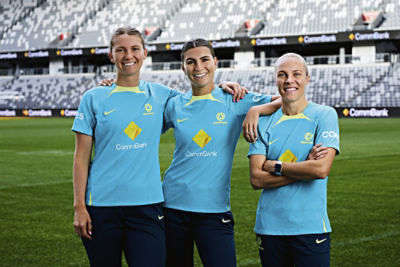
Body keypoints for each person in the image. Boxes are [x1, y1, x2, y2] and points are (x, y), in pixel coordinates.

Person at [73, 26, 247, 267]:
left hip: (147, 206)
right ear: (111, 55)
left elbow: (199, 94)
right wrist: (79, 206)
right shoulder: (94, 97)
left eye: (134, 49)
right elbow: (81, 157)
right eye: (120, 50)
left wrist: (224, 87)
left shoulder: (163, 96)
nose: (128, 55)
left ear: (145, 53)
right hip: (101, 206)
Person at [161, 38, 282, 267]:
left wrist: (255, 110)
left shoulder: (234, 99)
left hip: (214, 210)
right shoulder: (175, 105)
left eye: (205, 59)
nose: (198, 67)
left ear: (215, 62)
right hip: (172, 207)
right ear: (183, 67)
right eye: (191, 62)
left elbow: (285, 100)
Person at [247, 53, 340, 267]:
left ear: (307, 79)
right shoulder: (263, 123)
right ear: (276, 80)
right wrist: (303, 169)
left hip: (311, 227)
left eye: (296, 74)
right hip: (269, 228)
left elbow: (321, 169)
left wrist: (276, 166)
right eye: (282, 75)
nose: (289, 80)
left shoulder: (324, 115)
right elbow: (257, 179)